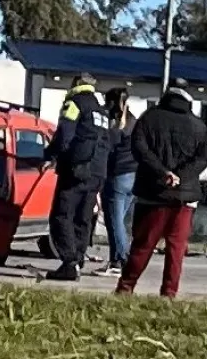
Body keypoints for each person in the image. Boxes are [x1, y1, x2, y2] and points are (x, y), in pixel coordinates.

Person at [115, 79, 207, 299]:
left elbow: (139, 148)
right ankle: (169, 293)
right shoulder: (198, 125)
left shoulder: (149, 118)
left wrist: (163, 172)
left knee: (143, 244)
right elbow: (204, 158)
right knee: (177, 248)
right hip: (184, 198)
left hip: (152, 193)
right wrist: (181, 176)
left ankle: (126, 287)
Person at [41, 73, 111, 281]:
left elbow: (65, 134)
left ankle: (69, 263)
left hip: (77, 169)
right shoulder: (101, 110)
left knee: (61, 216)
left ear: (77, 84)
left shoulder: (74, 103)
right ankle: (78, 259)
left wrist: (50, 156)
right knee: (83, 217)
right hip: (98, 171)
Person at [92, 87, 137, 277]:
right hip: (133, 175)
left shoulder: (113, 125)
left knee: (114, 221)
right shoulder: (134, 121)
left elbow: (106, 149)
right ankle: (119, 260)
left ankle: (120, 261)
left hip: (116, 176)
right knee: (119, 220)